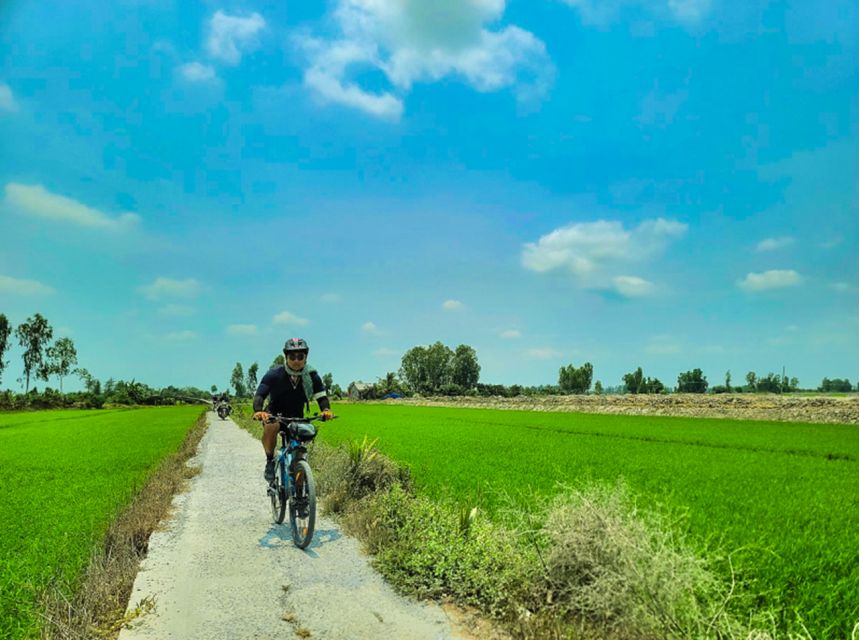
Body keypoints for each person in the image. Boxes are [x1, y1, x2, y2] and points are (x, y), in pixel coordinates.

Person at [252, 337, 333, 482]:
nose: (296, 360)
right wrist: (259, 410)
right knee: (271, 426)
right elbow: (260, 394)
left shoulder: (312, 376)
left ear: (305, 357)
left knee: (299, 455)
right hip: (275, 414)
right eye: (292, 356)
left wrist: (326, 409)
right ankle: (270, 461)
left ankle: (300, 495)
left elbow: (321, 397)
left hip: (297, 417)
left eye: (300, 356)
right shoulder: (274, 374)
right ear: (286, 357)